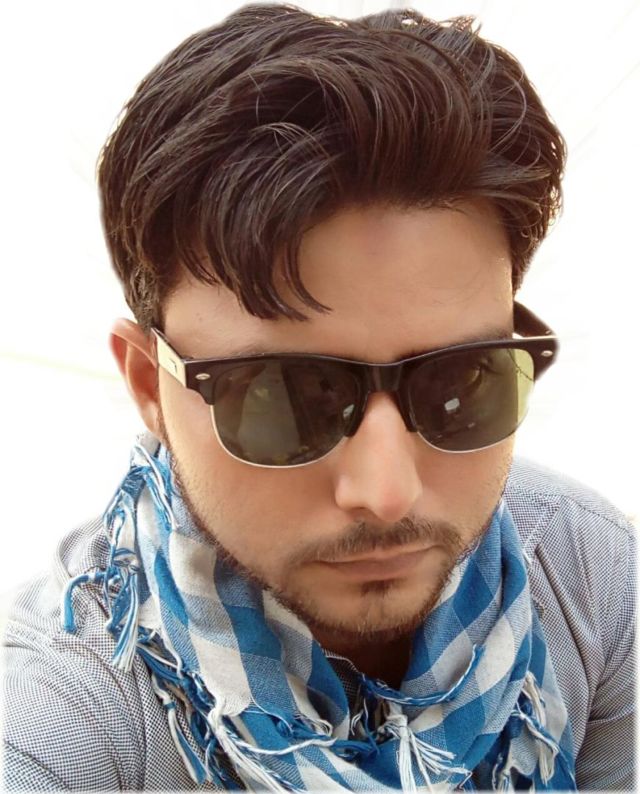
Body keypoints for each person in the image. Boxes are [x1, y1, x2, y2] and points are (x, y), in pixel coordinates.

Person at [1, 3, 635, 790]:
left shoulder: (590, 579)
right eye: (286, 399)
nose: (386, 492)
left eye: (459, 382)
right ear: (148, 386)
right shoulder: (66, 712)